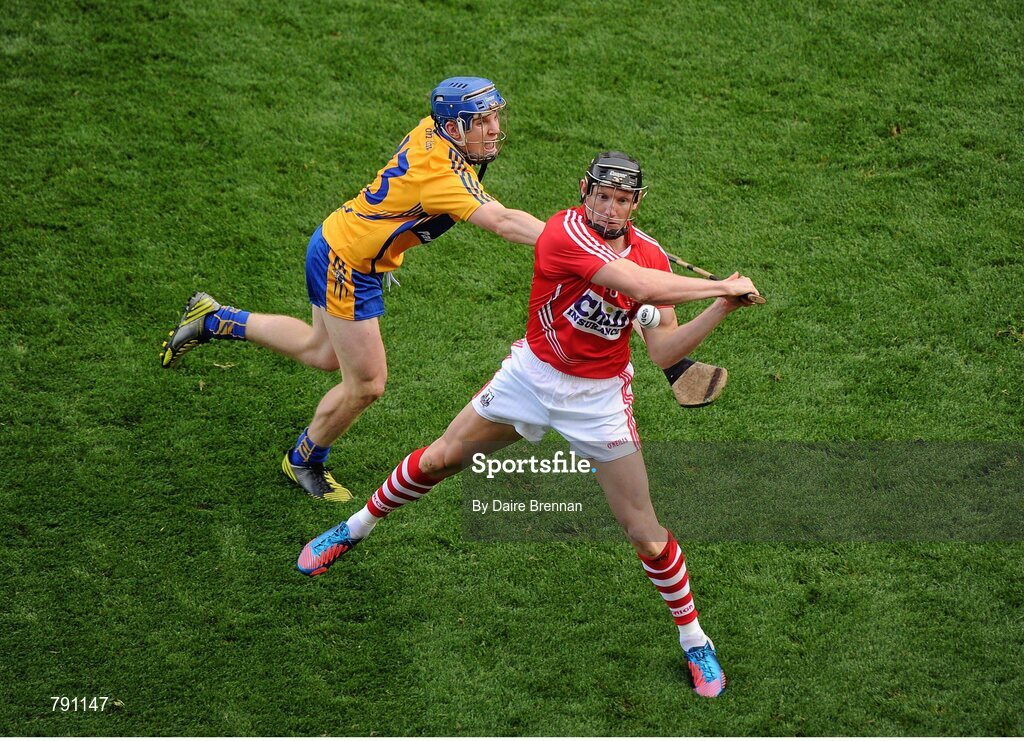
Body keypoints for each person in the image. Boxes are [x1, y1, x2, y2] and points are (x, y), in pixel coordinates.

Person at [296, 151, 761, 698]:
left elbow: (665, 352)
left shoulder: (653, 258)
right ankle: (354, 529)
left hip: (599, 401)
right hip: (531, 378)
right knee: (443, 457)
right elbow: (641, 289)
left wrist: (723, 309)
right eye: (601, 196)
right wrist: (720, 286)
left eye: (622, 199)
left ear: (637, 203)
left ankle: (694, 641)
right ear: (585, 190)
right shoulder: (564, 235)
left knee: (645, 532)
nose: (609, 209)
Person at [159, 77, 545, 502]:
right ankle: (304, 458)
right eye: (481, 120)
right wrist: (570, 243)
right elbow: (504, 222)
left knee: (320, 351)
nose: (493, 128)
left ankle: (214, 320)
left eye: (494, 116)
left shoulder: (431, 130)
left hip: (337, 242)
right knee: (367, 383)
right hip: (347, 264)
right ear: (452, 128)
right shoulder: (442, 174)